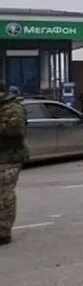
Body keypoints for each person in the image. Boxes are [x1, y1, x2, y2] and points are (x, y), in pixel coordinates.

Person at [0, 80, 28, 245]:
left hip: (9, 159)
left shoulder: (13, 108)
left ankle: (3, 232)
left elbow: (16, 131)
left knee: (4, 196)